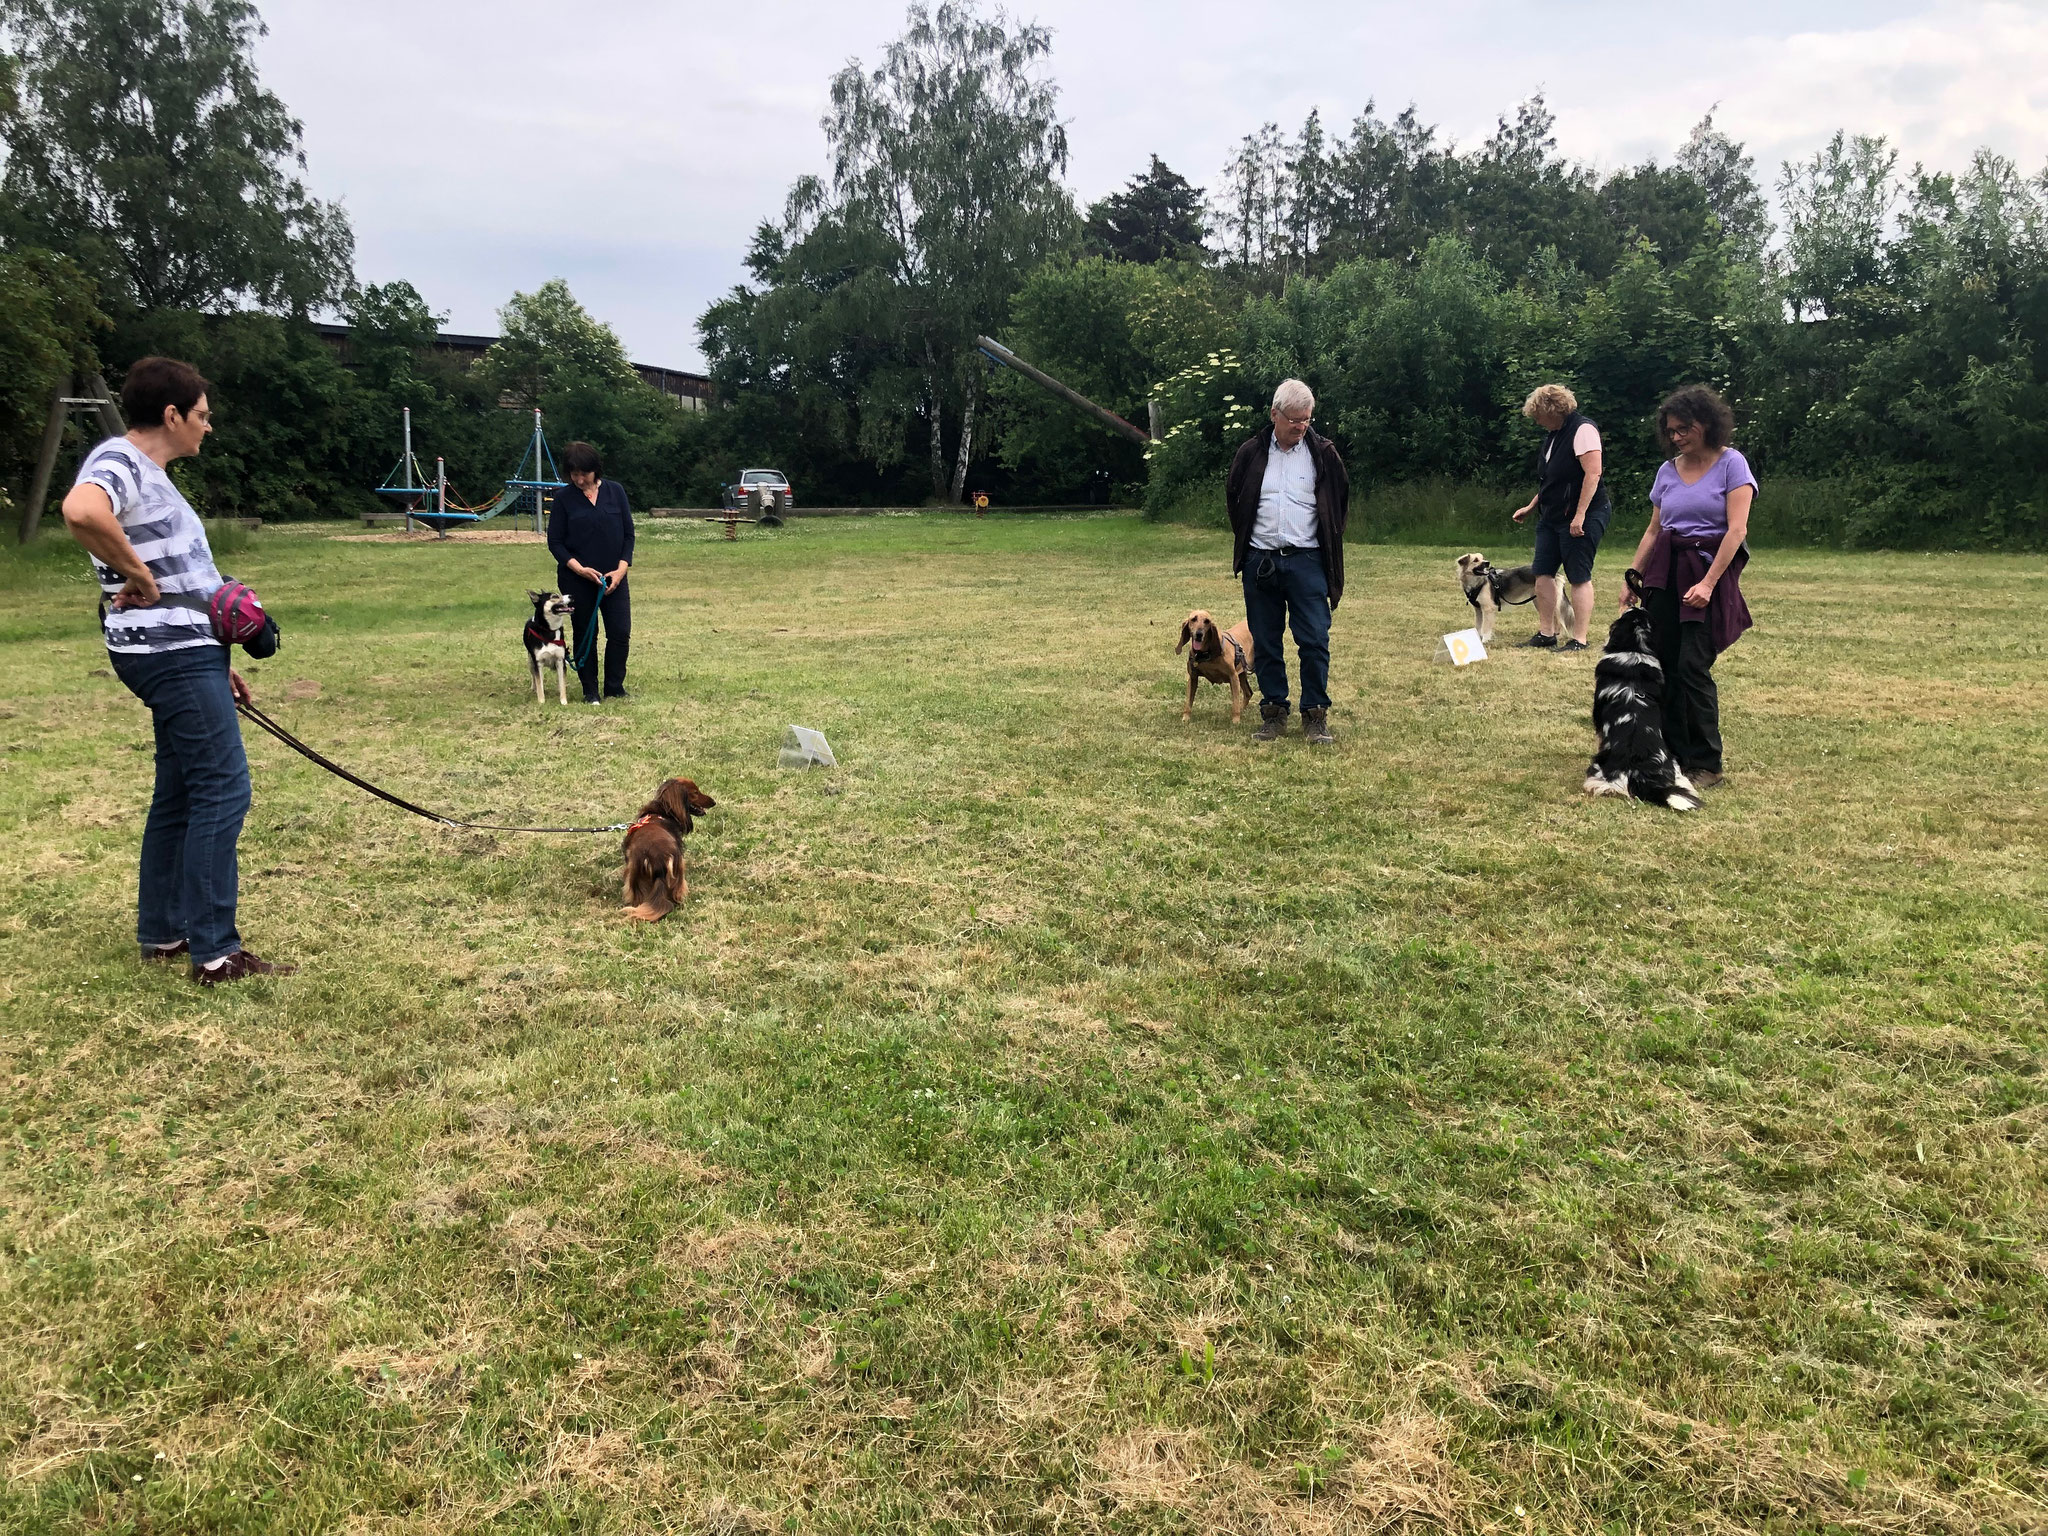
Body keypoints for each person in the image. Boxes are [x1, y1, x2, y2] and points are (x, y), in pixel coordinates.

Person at [59, 356, 296, 986]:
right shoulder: (121, 460)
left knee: (183, 791)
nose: (208, 428)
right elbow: (81, 512)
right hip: (168, 654)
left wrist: (214, 662)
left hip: (186, 654)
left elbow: (183, 578)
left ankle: (163, 934)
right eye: (202, 416)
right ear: (172, 415)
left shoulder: (149, 473)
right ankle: (216, 952)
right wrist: (135, 574)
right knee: (225, 787)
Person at [1620, 384, 1755, 790]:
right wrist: (1633, 577)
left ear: (1707, 423)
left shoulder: (1732, 464)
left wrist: (1709, 584)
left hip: (1707, 570)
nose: (1677, 436)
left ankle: (1707, 762)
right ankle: (1673, 753)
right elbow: (1653, 529)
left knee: (1693, 667)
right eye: (1671, 430)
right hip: (1665, 571)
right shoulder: (1667, 471)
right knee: (1663, 666)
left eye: (1684, 429)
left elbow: (1736, 530)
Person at [1224, 378, 1350, 743]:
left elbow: (1338, 502)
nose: (1300, 427)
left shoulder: (1323, 454)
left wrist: (1324, 539)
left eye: (1307, 420)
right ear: (1274, 414)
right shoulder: (1251, 452)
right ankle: (1274, 712)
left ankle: (1315, 715)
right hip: (1259, 561)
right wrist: (1251, 548)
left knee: (1313, 639)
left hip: (1308, 561)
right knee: (1265, 641)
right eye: (1294, 419)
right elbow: (1235, 498)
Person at [1509, 382, 1610, 651]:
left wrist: (1580, 516)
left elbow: (1593, 474)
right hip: (1551, 516)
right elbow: (1552, 481)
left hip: (1581, 515)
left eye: (1538, 415)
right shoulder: (1553, 435)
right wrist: (1532, 506)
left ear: (1551, 410)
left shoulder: (1583, 430)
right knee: (1542, 572)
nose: (1537, 421)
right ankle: (1547, 633)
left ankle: (1579, 638)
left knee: (1578, 575)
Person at [546, 441, 635, 704]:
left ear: (595, 469)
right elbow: (556, 543)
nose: (579, 479)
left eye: (583, 473)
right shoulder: (563, 498)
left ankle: (614, 686)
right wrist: (579, 569)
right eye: (573, 474)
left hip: (614, 578)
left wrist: (621, 569)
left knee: (620, 632)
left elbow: (628, 535)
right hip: (578, 579)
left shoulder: (616, 492)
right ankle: (590, 691)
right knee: (587, 632)